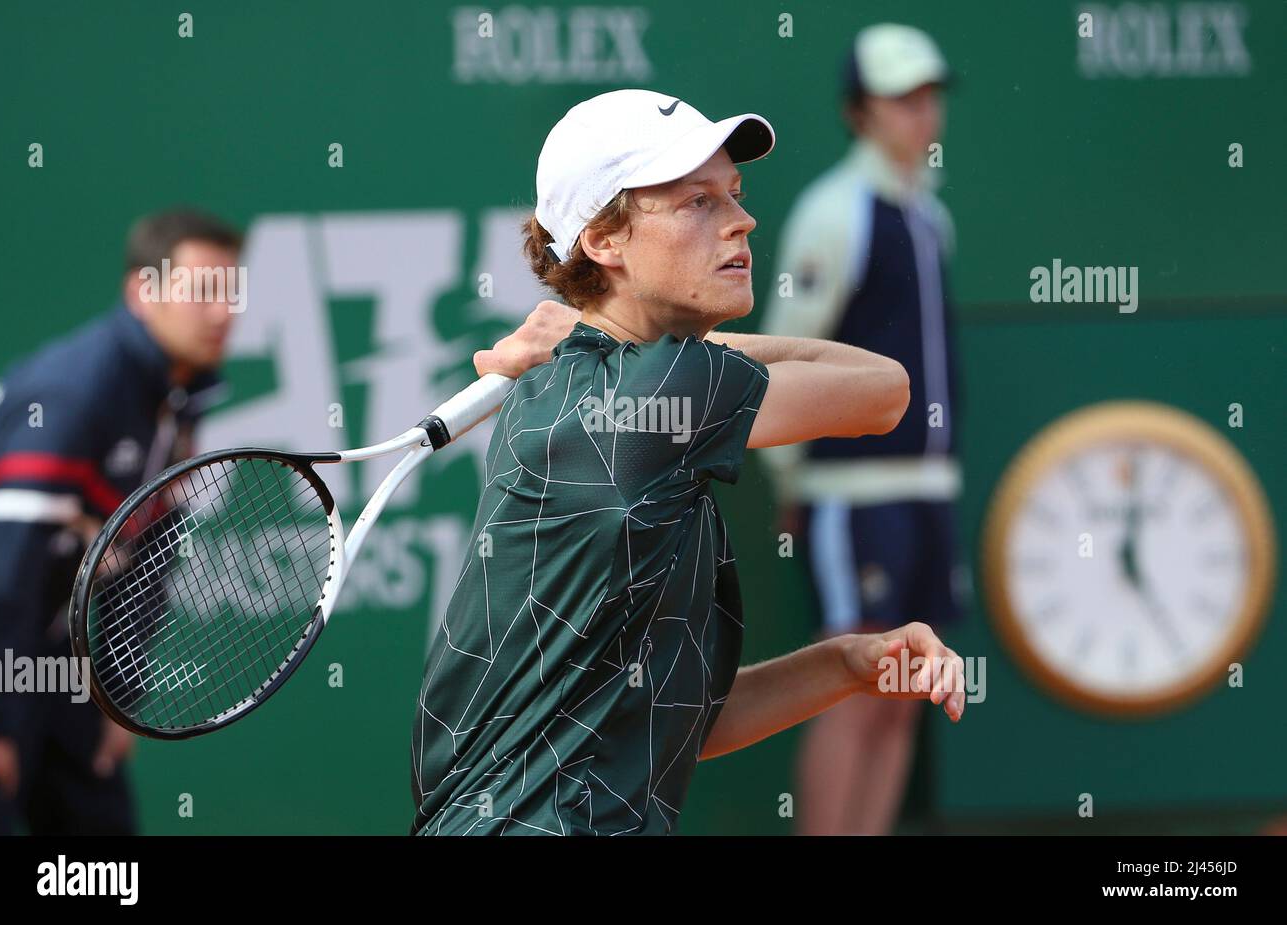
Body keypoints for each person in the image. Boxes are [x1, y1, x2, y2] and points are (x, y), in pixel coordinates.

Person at [409, 89, 966, 836]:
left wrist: (848, 663)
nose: (742, 220)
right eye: (696, 202)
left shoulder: (587, 390)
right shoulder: (648, 396)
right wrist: (613, 344)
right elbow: (884, 389)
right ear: (604, 242)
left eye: (733, 195)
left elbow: (676, 720)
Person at [759, 24, 966, 835]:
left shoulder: (929, 216)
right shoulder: (832, 212)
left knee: (906, 697)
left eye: (929, 95)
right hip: (850, 495)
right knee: (852, 687)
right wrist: (788, 481)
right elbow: (782, 356)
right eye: (901, 99)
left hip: (928, 492)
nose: (922, 113)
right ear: (859, 111)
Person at [0, 208, 242, 834]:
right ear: (142, 293)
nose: (221, 312)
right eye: (201, 290)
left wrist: (116, 702)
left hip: (51, 660)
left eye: (231, 291)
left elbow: (150, 557)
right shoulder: (73, 395)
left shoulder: (178, 400)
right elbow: (3, 573)